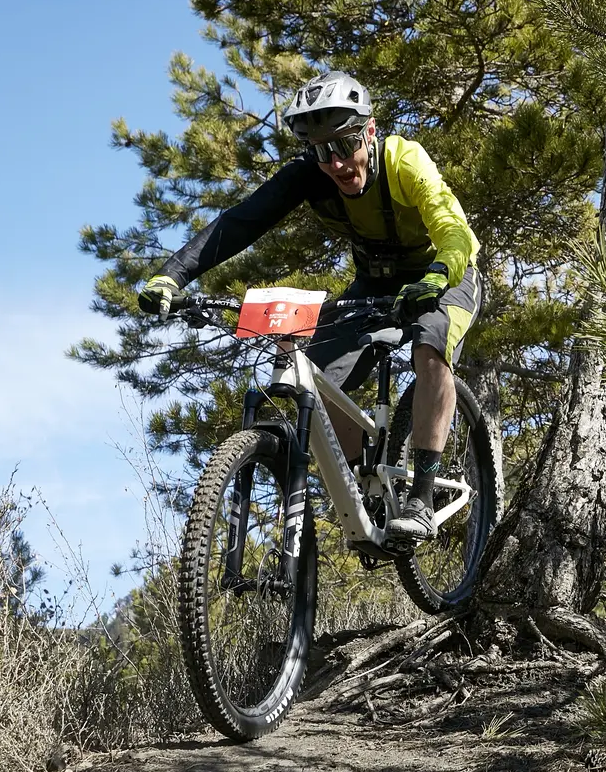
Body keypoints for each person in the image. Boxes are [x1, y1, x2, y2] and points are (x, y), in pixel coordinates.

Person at [137, 70, 482, 541]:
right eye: (321, 151)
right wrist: (172, 274)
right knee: (312, 377)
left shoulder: (405, 161)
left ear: (370, 131)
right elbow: (238, 223)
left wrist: (441, 272)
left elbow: (453, 228)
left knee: (430, 345)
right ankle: (370, 485)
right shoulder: (310, 178)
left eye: (344, 145)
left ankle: (421, 497)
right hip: (375, 286)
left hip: (446, 276)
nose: (336, 163)